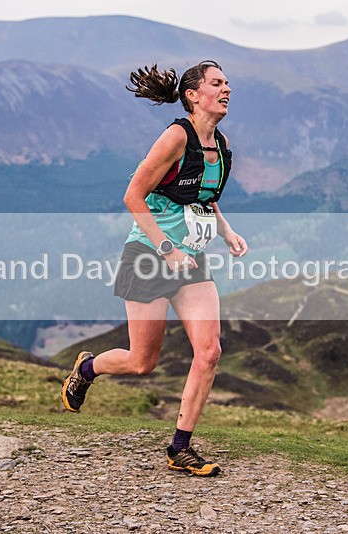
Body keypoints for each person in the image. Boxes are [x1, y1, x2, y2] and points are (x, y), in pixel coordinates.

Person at [61, 60, 248, 476]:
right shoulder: (175, 138)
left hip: (191, 262)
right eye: (217, 83)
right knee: (142, 362)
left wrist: (227, 231)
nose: (227, 89)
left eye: (228, 83)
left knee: (210, 351)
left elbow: (203, 196)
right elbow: (133, 196)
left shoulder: (220, 142)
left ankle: (180, 447)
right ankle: (88, 367)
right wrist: (166, 248)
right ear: (193, 96)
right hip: (149, 256)